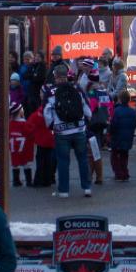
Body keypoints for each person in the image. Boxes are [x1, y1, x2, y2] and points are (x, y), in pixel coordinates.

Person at [43, 64, 93, 198]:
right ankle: (87, 187)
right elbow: (86, 107)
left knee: (63, 161)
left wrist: (52, 126)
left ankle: (64, 190)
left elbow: (46, 111)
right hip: (79, 128)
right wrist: (86, 121)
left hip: (61, 131)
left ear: (55, 76)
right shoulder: (76, 88)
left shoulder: (51, 91)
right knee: (82, 159)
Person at [27, 90, 55, 187]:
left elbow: (30, 124)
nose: (40, 95)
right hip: (51, 139)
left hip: (41, 140)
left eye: (41, 93)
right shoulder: (53, 108)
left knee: (41, 161)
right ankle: (48, 180)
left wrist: (32, 137)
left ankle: (38, 181)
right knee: (49, 161)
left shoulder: (40, 111)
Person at [109, 89, 136, 181]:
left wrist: (110, 133)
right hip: (128, 137)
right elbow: (134, 124)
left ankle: (119, 174)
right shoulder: (133, 112)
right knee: (124, 156)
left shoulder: (116, 111)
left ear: (119, 99)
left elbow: (113, 125)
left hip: (117, 137)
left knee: (115, 156)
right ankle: (125, 172)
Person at [8, 102, 34, 187]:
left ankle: (16, 181)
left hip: (13, 148)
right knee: (26, 164)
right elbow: (31, 133)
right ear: (20, 112)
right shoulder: (24, 124)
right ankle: (29, 181)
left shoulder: (10, 124)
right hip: (24, 148)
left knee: (15, 164)